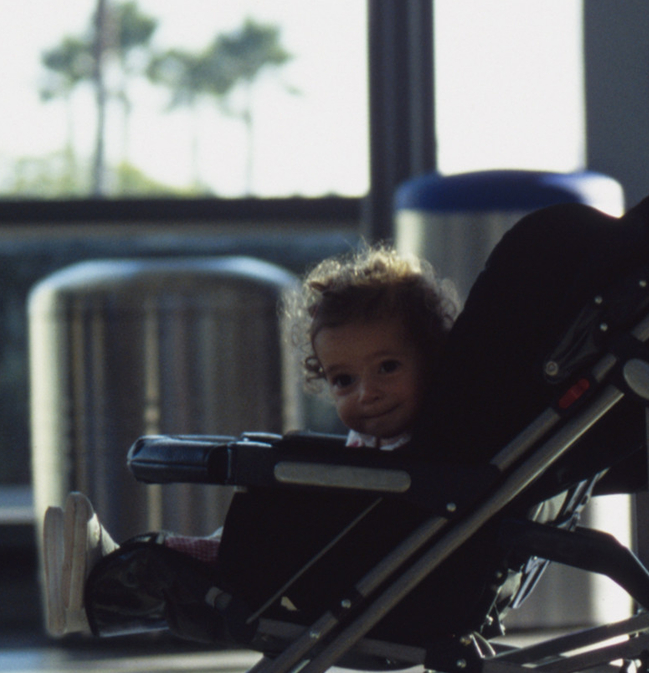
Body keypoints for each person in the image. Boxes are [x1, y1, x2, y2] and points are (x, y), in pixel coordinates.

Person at [38, 246, 455, 643]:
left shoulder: (424, 450)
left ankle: (102, 589)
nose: (367, 393)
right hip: (333, 570)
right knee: (220, 553)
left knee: (214, 559)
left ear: (433, 358)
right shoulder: (409, 441)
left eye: (387, 367)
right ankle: (99, 586)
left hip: (343, 577)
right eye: (344, 380)